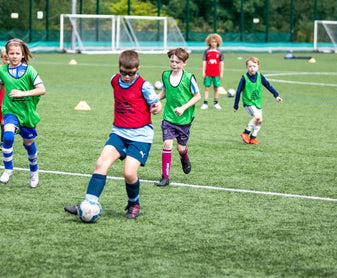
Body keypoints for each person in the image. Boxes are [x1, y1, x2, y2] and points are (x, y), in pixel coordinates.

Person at [64, 50, 162, 219]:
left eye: (131, 73)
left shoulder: (144, 86)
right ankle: (88, 203)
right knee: (101, 164)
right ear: (119, 67)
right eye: (123, 72)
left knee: (129, 173)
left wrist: (156, 108)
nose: (127, 77)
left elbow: (156, 104)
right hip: (118, 132)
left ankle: (134, 204)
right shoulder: (114, 80)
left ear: (138, 69)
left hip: (140, 136)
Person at [0, 38, 46, 188]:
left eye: (17, 53)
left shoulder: (29, 70)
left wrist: (22, 93)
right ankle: (8, 169)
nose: (14, 56)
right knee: (7, 135)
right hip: (10, 110)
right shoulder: (2, 69)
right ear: (6, 54)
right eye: (11, 53)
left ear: (22, 55)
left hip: (27, 113)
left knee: (29, 144)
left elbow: (42, 90)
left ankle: (34, 171)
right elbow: (1, 83)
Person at [155, 48, 201, 187]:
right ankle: (165, 177)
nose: (174, 64)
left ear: (184, 63)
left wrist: (183, 108)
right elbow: (164, 92)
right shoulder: (165, 75)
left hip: (184, 119)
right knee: (167, 144)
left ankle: (184, 157)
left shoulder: (189, 78)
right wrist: (155, 100)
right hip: (169, 117)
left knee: (181, 148)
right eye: (172, 61)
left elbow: (197, 96)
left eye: (177, 62)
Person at [233, 57, 283, 145]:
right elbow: (238, 91)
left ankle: (253, 137)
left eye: (254, 66)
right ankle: (245, 133)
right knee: (256, 117)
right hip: (248, 102)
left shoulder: (260, 76)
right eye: (250, 66)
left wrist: (276, 95)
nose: (252, 68)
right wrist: (236, 105)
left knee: (259, 120)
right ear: (247, 67)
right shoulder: (244, 78)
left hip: (258, 102)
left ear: (258, 67)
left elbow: (268, 86)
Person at [200, 33, 224, 110]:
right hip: (208, 73)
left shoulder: (220, 51)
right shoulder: (206, 51)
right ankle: (205, 103)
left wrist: (221, 72)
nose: (213, 43)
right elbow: (204, 61)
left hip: (216, 73)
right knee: (207, 88)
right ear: (209, 42)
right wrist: (203, 71)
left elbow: (222, 63)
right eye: (212, 42)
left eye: (215, 42)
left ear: (218, 42)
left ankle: (216, 103)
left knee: (216, 88)